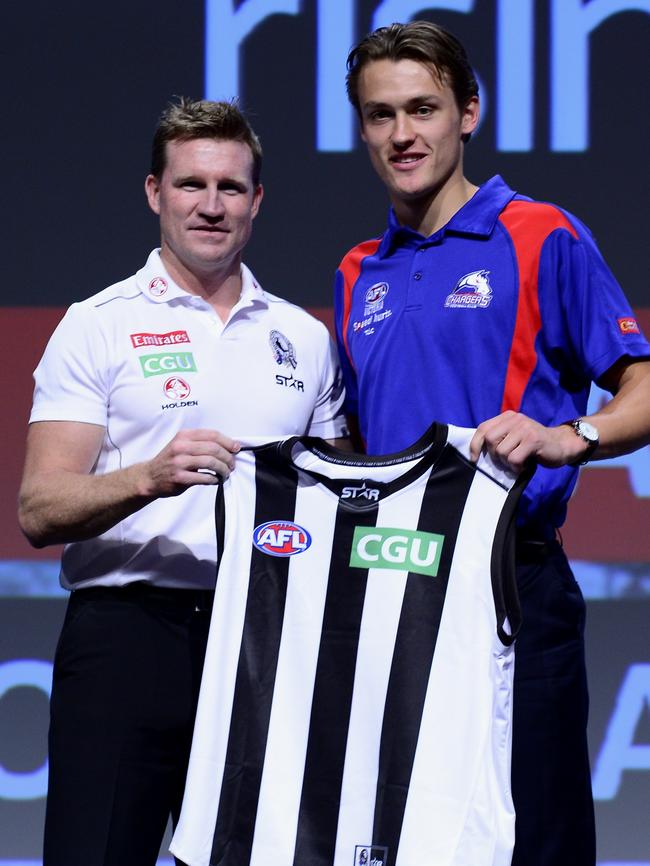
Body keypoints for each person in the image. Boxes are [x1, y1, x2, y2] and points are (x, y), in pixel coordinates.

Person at [334, 21, 650, 866]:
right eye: (380, 115)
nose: (402, 134)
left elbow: (642, 387)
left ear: (468, 112)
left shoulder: (542, 234)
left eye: (424, 108)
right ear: (361, 129)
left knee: (535, 840)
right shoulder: (355, 271)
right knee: (394, 841)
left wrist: (570, 433)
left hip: (513, 579)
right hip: (391, 585)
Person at [18, 97, 348, 866]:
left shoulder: (303, 337)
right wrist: (148, 477)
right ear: (154, 193)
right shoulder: (98, 323)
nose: (210, 205)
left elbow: (338, 501)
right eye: (191, 185)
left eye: (230, 188)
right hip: (128, 638)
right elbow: (39, 507)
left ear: (257, 201)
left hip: (264, 640)